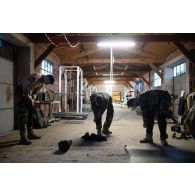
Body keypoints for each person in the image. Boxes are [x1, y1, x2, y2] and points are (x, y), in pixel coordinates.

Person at [16, 73, 54, 145]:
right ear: (46, 77)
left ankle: (30, 133)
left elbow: (35, 93)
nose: (47, 83)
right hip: (20, 92)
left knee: (31, 113)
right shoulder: (36, 76)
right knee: (23, 115)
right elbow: (25, 84)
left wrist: (33, 97)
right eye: (48, 81)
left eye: (48, 83)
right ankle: (23, 138)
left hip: (27, 94)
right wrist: (27, 96)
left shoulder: (41, 84)